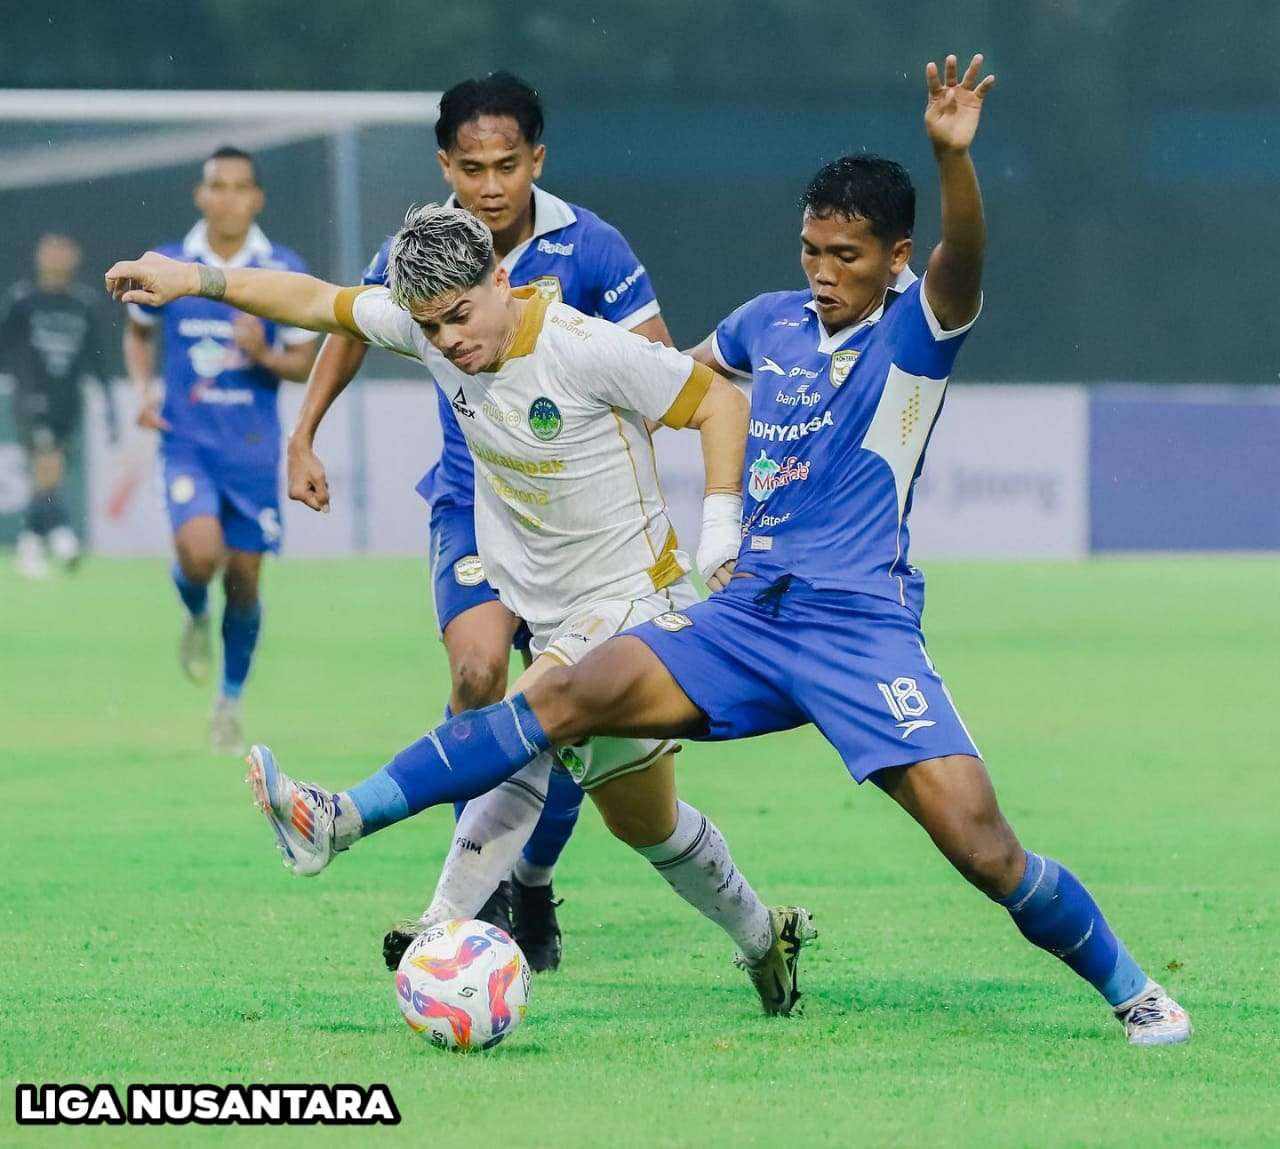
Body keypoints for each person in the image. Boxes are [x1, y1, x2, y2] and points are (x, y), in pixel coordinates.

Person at [206, 54, 1191, 1046]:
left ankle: (1133, 991)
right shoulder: (769, 322)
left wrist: (951, 163)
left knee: (982, 851)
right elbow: (674, 382)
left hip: (857, 629)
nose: (821, 273)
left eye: (846, 257)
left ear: (895, 259)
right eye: (810, 251)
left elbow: (962, 259)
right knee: (559, 694)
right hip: (744, 615)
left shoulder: (916, 333)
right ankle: (340, 817)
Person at [106, 202, 816, 1017]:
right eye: (430, 327)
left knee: (525, 724)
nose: (448, 341)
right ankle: (766, 937)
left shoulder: (583, 348)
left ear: (500, 279)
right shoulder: (432, 331)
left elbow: (719, 403)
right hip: (554, 615)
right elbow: (313, 299)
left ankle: (346, 828)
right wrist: (191, 279)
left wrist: (721, 534)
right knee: (645, 824)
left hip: (634, 603)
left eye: (459, 317)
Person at [294, 73, 674, 970]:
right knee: (475, 673)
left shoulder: (593, 246)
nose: (491, 185)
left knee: (563, 712)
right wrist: (302, 432)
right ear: (445, 165)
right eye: (472, 167)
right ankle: (480, 894)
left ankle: (532, 882)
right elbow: (347, 324)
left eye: (508, 165)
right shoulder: (421, 248)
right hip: (470, 498)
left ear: (536, 160)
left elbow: (654, 365)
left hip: (569, 524)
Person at [120, 146, 317, 753]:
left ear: (256, 198)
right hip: (188, 444)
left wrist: (263, 354)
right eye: (217, 186)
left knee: (246, 584)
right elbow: (137, 329)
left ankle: (229, 702)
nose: (227, 197)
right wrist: (144, 388)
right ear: (201, 195)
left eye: (239, 187)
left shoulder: (281, 267)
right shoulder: (171, 263)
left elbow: (304, 363)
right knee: (201, 556)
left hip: (254, 454)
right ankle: (193, 611)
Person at [2, 234, 113, 577]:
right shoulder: (23, 301)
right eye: (49, 251)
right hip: (32, 394)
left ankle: (32, 540)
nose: (56, 258)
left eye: (63, 251)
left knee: (52, 472)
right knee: (47, 463)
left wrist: (109, 402)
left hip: (68, 398)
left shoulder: (83, 303)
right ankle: (62, 533)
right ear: (38, 256)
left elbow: (98, 355)